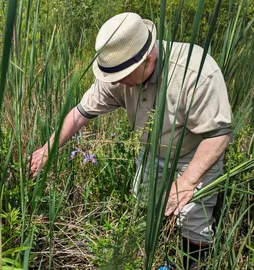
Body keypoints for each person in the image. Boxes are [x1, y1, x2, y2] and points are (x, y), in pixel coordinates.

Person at [29, 12, 232, 269]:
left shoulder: (196, 70)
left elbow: (219, 135)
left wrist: (187, 181)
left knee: (193, 222)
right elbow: (80, 113)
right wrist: (49, 148)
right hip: (151, 149)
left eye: (122, 76)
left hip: (196, 151)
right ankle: (159, 255)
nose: (115, 82)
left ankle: (191, 263)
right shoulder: (116, 73)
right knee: (145, 206)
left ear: (148, 60)